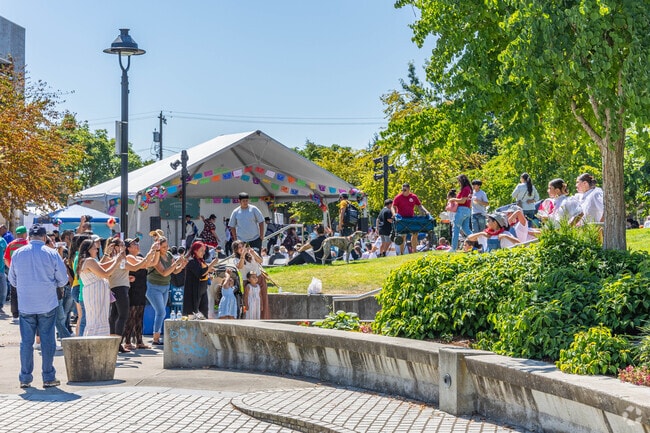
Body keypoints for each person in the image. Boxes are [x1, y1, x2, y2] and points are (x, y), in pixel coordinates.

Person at [8, 224, 68, 389]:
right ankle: (48, 377)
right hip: (47, 302)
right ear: (44, 237)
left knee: (26, 342)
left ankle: (25, 378)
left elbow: (12, 280)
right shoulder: (51, 253)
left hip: (26, 303)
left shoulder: (18, 253)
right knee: (48, 340)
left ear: (28, 237)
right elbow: (63, 279)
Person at [76, 237, 124, 337]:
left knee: (97, 319)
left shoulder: (88, 260)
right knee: (96, 319)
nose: (97, 250)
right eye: (94, 248)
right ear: (88, 249)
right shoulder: (89, 260)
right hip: (95, 293)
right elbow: (105, 273)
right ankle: (95, 342)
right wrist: (116, 261)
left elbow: (101, 266)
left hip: (94, 292)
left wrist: (111, 257)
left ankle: (95, 341)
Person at [146, 235, 187, 345]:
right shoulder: (156, 257)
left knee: (161, 313)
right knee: (161, 312)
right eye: (164, 247)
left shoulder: (169, 255)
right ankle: (156, 337)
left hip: (165, 286)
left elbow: (174, 271)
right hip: (154, 287)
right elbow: (164, 272)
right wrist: (176, 264)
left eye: (167, 246)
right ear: (159, 247)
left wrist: (181, 265)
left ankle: (157, 335)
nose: (166, 248)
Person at [123, 237, 160, 350]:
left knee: (139, 316)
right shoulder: (129, 257)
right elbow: (144, 265)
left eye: (137, 243)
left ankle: (139, 341)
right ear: (128, 248)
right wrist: (152, 250)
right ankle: (128, 341)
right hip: (132, 289)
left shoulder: (140, 257)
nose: (137, 245)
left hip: (141, 288)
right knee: (131, 316)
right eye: (133, 244)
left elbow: (152, 262)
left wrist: (157, 250)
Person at [182, 241, 220, 319]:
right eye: (201, 250)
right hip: (194, 290)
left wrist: (209, 273)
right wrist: (211, 265)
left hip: (202, 288)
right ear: (195, 251)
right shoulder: (191, 262)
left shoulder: (201, 261)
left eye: (204, 250)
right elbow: (200, 273)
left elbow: (204, 272)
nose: (203, 253)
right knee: (193, 312)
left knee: (204, 311)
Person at [391, 183, 430, 254]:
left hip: (411, 218)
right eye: (402, 189)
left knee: (415, 234)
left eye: (405, 189)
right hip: (402, 219)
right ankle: (402, 253)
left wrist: (426, 211)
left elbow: (419, 206)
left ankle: (414, 251)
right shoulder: (398, 197)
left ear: (408, 189)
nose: (403, 191)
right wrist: (394, 214)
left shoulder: (413, 197)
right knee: (403, 236)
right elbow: (393, 207)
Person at [5, 225, 29, 324]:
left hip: (14, 272)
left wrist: (11, 268)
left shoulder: (10, 244)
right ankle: (25, 313)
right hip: (26, 273)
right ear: (24, 234)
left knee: (14, 294)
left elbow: (6, 259)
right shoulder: (28, 244)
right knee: (26, 293)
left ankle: (15, 315)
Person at [449, 175, 474, 252]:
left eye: (459, 181)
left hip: (462, 210)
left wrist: (453, 199)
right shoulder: (469, 189)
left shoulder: (465, 189)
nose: (458, 183)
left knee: (455, 228)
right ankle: (477, 242)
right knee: (466, 229)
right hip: (467, 210)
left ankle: (453, 248)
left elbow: (462, 201)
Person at [0, 233, 7, 315]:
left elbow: (6, 251)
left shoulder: (1, 240)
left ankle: (0, 306)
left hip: (1, 269)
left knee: (3, 289)